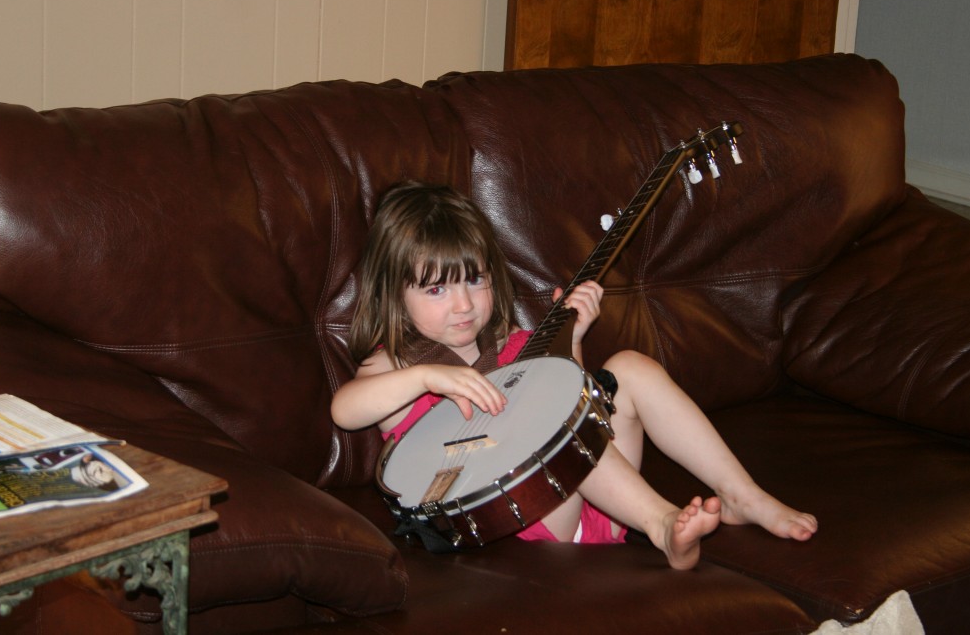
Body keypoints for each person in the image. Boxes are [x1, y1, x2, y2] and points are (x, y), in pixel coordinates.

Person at [331, 181, 817, 569]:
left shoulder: (516, 345)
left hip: (597, 507)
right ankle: (662, 522)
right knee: (553, 429)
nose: (463, 305)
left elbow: (580, 409)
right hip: (521, 523)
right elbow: (345, 409)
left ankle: (741, 494)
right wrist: (427, 378)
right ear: (394, 296)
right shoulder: (394, 364)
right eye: (436, 290)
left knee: (628, 368)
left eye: (475, 280)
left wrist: (575, 341)